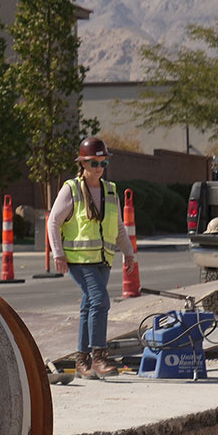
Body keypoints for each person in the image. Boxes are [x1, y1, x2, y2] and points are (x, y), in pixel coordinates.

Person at [48, 136, 137, 379]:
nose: (99, 168)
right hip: (78, 260)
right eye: (94, 164)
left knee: (89, 306)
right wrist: (58, 253)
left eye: (103, 164)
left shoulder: (110, 191)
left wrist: (129, 253)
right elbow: (53, 221)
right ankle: (99, 357)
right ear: (83, 164)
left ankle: (82, 361)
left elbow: (118, 226)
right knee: (100, 301)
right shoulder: (71, 189)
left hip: (103, 260)